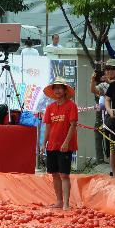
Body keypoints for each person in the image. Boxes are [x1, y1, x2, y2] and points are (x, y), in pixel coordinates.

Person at [42, 77, 78, 210]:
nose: (57, 90)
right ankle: (59, 201)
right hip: (52, 145)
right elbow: (48, 127)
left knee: (64, 174)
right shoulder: (50, 107)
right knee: (54, 174)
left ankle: (67, 203)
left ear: (64, 90)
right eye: (55, 88)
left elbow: (73, 125)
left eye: (60, 88)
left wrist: (66, 142)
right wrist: (43, 143)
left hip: (65, 146)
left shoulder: (71, 106)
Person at [90, 59, 115, 165]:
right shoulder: (104, 85)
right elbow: (93, 90)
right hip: (110, 119)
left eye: (112, 68)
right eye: (107, 69)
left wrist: (109, 82)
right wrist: (93, 79)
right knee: (112, 148)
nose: (109, 71)